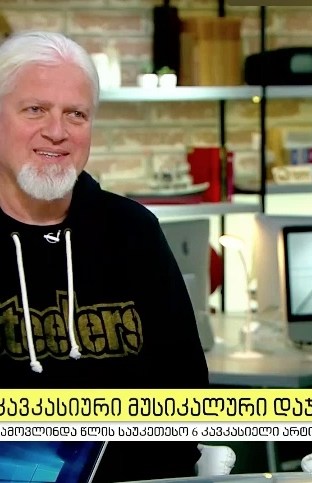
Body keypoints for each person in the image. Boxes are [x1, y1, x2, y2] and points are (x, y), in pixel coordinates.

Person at [0, 30, 209, 481]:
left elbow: (186, 392)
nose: (57, 132)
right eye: (35, 109)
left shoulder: (134, 231)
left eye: (76, 114)